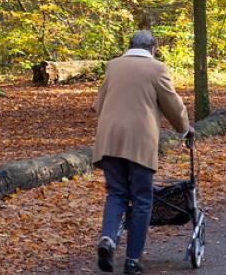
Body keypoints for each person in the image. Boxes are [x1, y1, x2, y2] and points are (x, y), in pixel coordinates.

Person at [92, 30, 193, 273]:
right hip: (139, 142)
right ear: (153, 49)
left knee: (116, 194)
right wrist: (185, 128)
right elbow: (172, 104)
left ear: (130, 46)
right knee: (141, 199)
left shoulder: (113, 66)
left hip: (109, 140)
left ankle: (108, 238)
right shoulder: (157, 69)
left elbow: (98, 105)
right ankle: (132, 260)